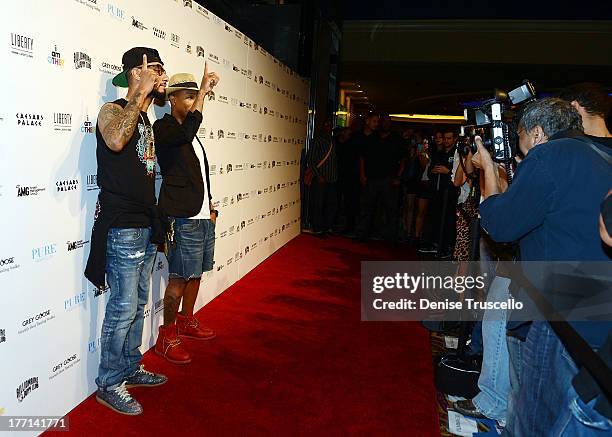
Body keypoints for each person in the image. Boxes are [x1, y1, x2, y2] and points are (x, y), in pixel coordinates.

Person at [472, 97, 612, 436]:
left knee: (533, 416)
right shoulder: (602, 154)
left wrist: (489, 170)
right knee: (570, 417)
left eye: (519, 135)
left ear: (536, 133)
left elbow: (501, 226)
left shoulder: (550, 155)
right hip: (600, 312)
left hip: (559, 310)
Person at [85, 47, 169, 415]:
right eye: (157, 71)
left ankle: (130, 368)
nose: (163, 78)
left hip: (145, 225)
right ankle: (108, 382)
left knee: (136, 305)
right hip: (121, 226)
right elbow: (116, 141)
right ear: (137, 72)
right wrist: (138, 93)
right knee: (121, 308)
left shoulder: (147, 119)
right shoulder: (113, 111)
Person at [153, 65, 220, 364]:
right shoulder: (166, 129)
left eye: (197, 97)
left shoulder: (192, 136)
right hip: (182, 218)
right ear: (172, 100)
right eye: (189, 97)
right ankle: (166, 336)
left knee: (197, 273)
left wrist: (211, 208)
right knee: (179, 278)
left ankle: (186, 319)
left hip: (202, 216)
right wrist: (204, 91)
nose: (194, 103)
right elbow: (184, 133)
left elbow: (199, 177)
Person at [356, 114, 404, 241]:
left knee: (390, 210)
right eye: (384, 122)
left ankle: (391, 237)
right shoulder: (371, 138)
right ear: (380, 123)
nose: (386, 124)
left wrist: (398, 177)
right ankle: (362, 234)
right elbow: (362, 157)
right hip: (371, 178)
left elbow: (403, 160)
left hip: (389, 179)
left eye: (389, 122)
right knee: (366, 208)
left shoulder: (397, 140)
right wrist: (362, 174)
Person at [305, 118, 338, 235]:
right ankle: (317, 227)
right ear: (322, 127)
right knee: (317, 204)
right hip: (320, 179)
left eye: (329, 125)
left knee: (331, 204)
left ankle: (327, 226)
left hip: (332, 179)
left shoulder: (333, 141)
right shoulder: (317, 141)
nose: (328, 128)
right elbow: (311, 159)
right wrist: (318, 176)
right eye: (326, 125)